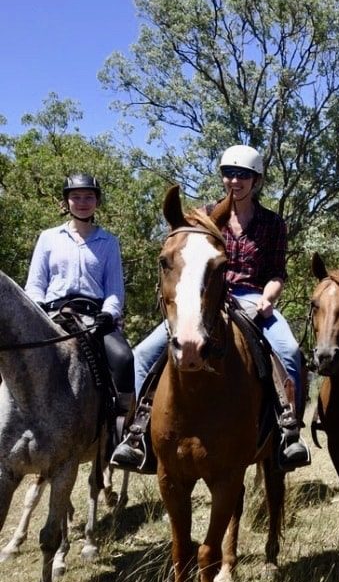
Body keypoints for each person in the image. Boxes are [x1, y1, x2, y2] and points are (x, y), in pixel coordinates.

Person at [111, 145, 310, 470]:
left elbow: (277, 273)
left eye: (243, 175)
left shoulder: (272, 224)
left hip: (252, 298)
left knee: (289, 351)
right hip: (203, 301)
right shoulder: (202, 216)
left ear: (255, 180)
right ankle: (135, 435)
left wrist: (268, 298)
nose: (235, 181)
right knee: (144, 354)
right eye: (229, 173)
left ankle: (289, 434)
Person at [24, 174, 134, 413]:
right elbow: (34, 283)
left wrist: (108, 313)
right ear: (66, 202)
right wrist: (38, 307)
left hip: (94, 318)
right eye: (76, 197)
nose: (82, 202)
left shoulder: (109, 242)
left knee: (125, 359)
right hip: (52, 313)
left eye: (88, 197)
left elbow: (114, 290)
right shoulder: (48, 238)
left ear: (97, 201)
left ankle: (125, 426)